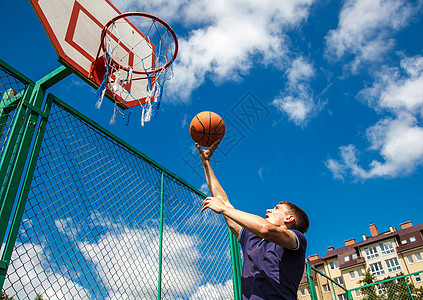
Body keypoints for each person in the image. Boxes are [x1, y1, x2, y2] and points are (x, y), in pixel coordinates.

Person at [196, 140, 309, 300]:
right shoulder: (253, 239)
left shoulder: (297, 240)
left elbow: (266, 230)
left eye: (276, 208)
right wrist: (206, 163)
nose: (269, 210)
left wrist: (224, 209)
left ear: (289, 218)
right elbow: (223, 201)